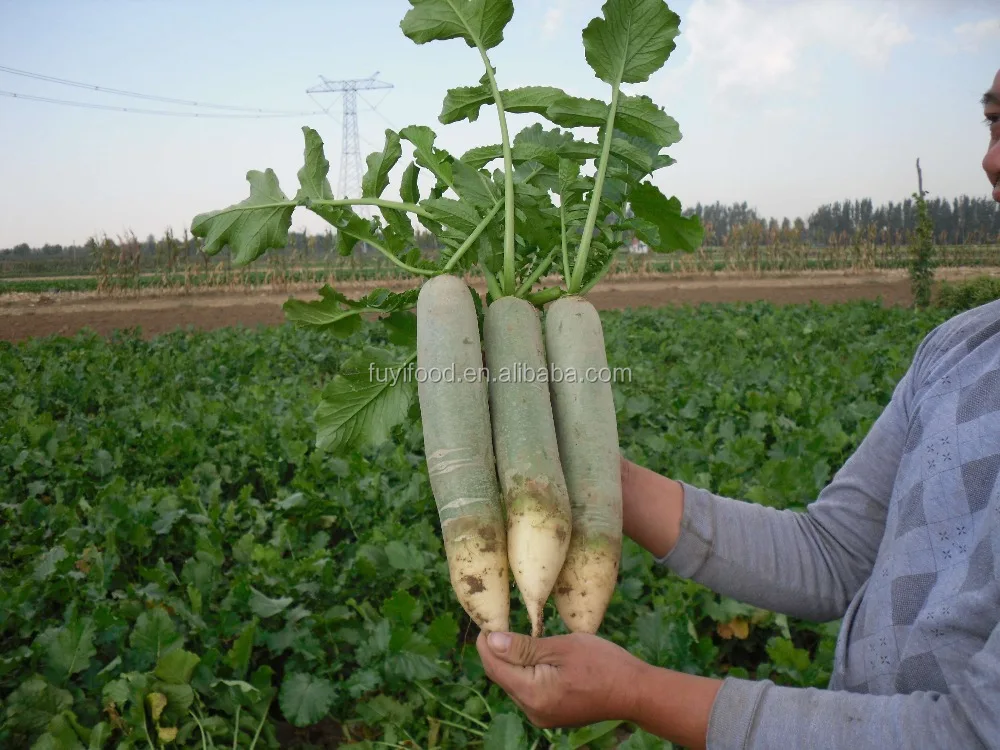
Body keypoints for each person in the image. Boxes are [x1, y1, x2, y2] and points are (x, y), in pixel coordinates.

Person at [476, 68, 1000, 749]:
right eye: (994, 122)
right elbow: (835, 552)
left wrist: (637, 692)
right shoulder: (960, 348)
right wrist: (602, 478)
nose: (991, 158)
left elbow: (972, 736)